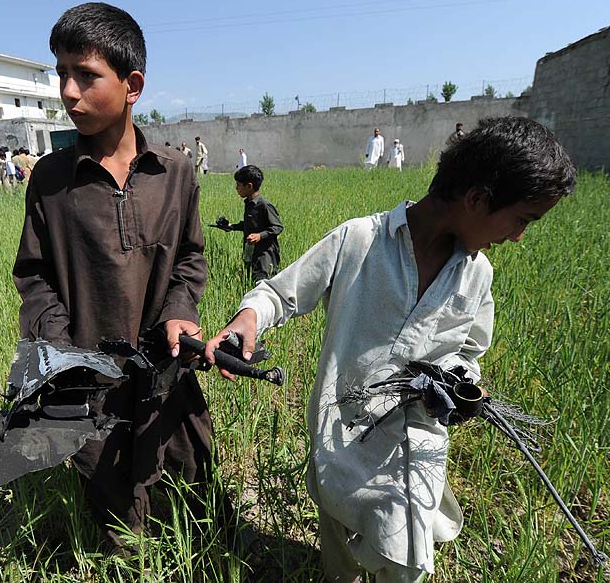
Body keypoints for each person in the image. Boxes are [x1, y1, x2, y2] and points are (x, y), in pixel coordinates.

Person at [204, 117, 577, 583]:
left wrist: (460, 382)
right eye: (522, 220)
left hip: (413, 448)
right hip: (339, 434)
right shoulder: (359, 240)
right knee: (338, 553)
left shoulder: (477, 275)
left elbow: (470, 351)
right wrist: (248, 317)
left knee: (405, 562)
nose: (518, 236)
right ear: (477, 200)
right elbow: (281, 294)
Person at [13, 1, 213, 549]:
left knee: (188, 481)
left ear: (133, 85)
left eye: (86, 75)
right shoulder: (51, 180)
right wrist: (62, 353)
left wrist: (180, 310)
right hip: (90, 378)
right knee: (112, 499)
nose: (68, 92)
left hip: (165, 370)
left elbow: (192, 258)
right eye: (61, 75)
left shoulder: (175, 172)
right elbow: (34, 276)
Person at [217, 164, 282, 281]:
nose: (236, 188)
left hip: (264, 256)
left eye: (238, 185)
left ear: (249, 186)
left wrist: (259, 236)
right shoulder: (249, 203)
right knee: (250, 280)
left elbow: (277, 227)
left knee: (262, 286)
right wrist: (231, 226)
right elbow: (250, 225)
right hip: (251, 252)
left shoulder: (264, 205)